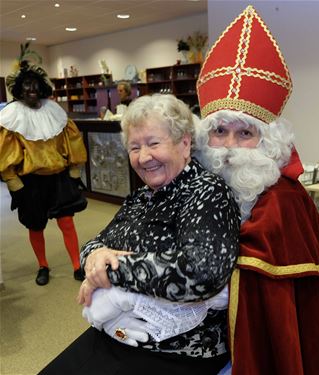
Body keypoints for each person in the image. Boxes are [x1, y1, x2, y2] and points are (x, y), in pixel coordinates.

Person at [193, 5, 319, 375]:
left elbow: (263, 300)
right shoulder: (200, 183)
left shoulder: (282, 201)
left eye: (245, 133)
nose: (228, 146)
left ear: (268, 142)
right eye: (219, 131)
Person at [38, 93, 240, 375]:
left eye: (153, 143)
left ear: (184, 144)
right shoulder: (141, 197)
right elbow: (94, 244)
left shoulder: (207, 191)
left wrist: (111, 271)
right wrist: (97, 256)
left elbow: (201, 273)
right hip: (119, 334)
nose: (144, 157)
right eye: (134, 147)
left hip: (177, 351)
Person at [0, 43, 87, 285]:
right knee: (35, 225)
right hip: (30, 182)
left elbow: (72, 141)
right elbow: (5, 154)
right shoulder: (11, 116)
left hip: (58, 177)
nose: (31, 89)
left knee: (67, 222)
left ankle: (77, 265)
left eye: (35, 84)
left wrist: (73, 169)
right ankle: (43, 266)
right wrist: (13, 181)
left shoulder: (55, 111)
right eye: (26, 84)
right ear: (18, 88)